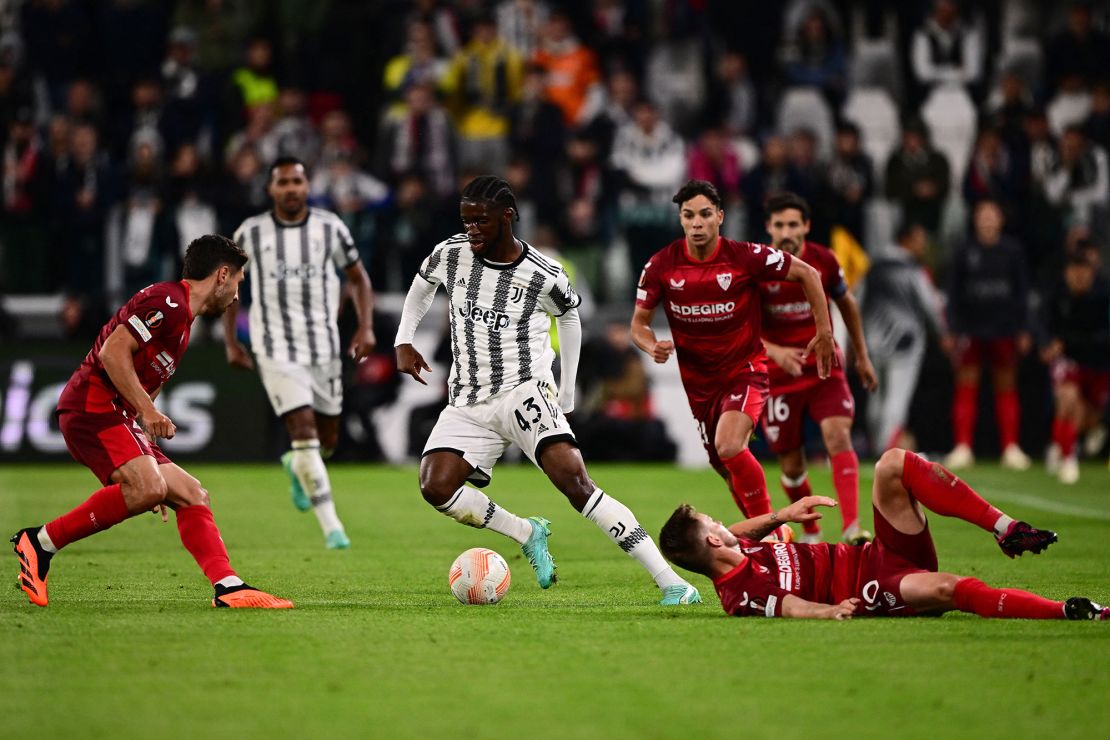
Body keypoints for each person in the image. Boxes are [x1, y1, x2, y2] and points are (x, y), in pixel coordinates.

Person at [394, 175, 701, 606]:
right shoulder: (451, 254)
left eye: (480, 221)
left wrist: (566, 388)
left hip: (524, 391)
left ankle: (672, 582)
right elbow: (421, 286)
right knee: (435, 486)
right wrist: (403, 340)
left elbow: (571, 318)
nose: (472, 230)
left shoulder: (542, 272)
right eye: (466, 221)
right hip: (467, 399)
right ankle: (526, 532)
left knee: (576, 484)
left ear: (507, 217)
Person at [11, 235, 292, 609]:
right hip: (92, 407)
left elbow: (144, 385)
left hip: (114, 413)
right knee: (148, 487)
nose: (237, 295)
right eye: (238, 283)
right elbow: (113, 353)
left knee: (191, 493)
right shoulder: (168, 302)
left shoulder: (182, 322)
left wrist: (146, 463)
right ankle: (40, 542)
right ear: (222, 275)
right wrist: (146, 417)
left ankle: (228, 586)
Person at [658, 448, 1107, 621]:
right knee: (949, 587)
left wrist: (783, 514)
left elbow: (741, 530)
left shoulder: (736, 548)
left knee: (893, 463)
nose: (721, 523)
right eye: (713, 523)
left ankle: (1005, 528)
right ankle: (1070, 611)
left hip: (881, 551)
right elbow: (792, 608)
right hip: (875, 589)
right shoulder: (742, 594)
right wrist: (831, 611)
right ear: (714, 542)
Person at [630, 180, 835, 535]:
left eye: (705, 215)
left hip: (746, 371)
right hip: (700, 386)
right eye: (688, 215)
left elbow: (808, 272)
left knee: (729, 445)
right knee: (727, 468)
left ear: (720, 217)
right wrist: (651, 345)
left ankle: (773, 536)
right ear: (680, 219)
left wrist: (825, 331)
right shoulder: (661, 265)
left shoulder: (745, 256)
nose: (697, 223)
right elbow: (638, 325)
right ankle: (771, 532)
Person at [224, 156, 376, 549]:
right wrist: (231, 341)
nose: (291, 188)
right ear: (270, 189)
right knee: (305, 433)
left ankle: (297, 463)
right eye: (283, 182)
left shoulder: (330, 228)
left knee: (326, 440)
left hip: (323, 348)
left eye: (297, 181)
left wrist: (365, 326)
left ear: (308, 187)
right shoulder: (251, 233)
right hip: (274, 346)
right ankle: (332, 527)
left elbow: (358, 279)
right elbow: (228, 289)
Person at [757, 192, 878, 545]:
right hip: (779, 376)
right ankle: (811, 531)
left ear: (806, 226)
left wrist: (863, 356)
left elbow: (847, 304)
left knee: (838, 435)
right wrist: (775, 352)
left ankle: (852, 527)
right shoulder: (757, 265)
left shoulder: (824, 260)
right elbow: (743, 326)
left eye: (793, 224)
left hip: (824, 368)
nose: (786, 232)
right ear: (769, 227)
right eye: (779, 225)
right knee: (792, 465)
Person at [943, 199, 1032, 470]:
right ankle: (963, 447)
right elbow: (953, 293)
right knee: (966, 384)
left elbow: (1022, 292)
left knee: (1006, 384)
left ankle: (1010, 448)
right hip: (971, 328)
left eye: (993, 215)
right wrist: (952, 329)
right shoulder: (963, 250)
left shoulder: (1013, 251)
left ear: (1001, 219)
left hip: (1004, 328)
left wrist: (1024, 328)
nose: (988, 220)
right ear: (975, 219)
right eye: (983, 215)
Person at [860, 223, 951, 453]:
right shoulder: (912, 269)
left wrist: (855, 339)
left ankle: (875, 445)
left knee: (876, 397)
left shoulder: (873, 266)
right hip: (905, 342)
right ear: (906, 240)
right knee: (897, 399)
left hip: (872, 341)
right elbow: (931, 306)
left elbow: (855, 300)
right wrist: (943, 333)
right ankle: (886, 448)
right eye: (919, 239)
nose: (923, 245)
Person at [1041, 249, 1110, 484]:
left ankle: (1059, 444)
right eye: (1074, 272)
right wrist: (1047, 345)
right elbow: (1043, 323)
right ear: (1067, 273)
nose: (1078, 277)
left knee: (1088, 417)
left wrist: (1067, 341)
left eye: (1084, 272)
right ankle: (1069, 459)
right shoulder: (1057, 294)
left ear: (1091, 273)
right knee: (1067, 400)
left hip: (1098, 362)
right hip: (1068, 360)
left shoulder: (1103, 295)